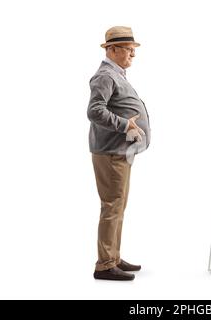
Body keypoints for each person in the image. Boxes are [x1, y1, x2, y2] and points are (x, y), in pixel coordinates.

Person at [87, 26, 151, 281]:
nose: (133, 55)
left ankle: (113, 256)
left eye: (133, 50)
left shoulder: (117, 74)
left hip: (120, 150)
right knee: (112, 206)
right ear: (112, 49)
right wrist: (126, 125)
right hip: (110, 152)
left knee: (118, 205)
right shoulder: (104, 75)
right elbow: (94, 110)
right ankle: (104, 265)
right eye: (128, 49)